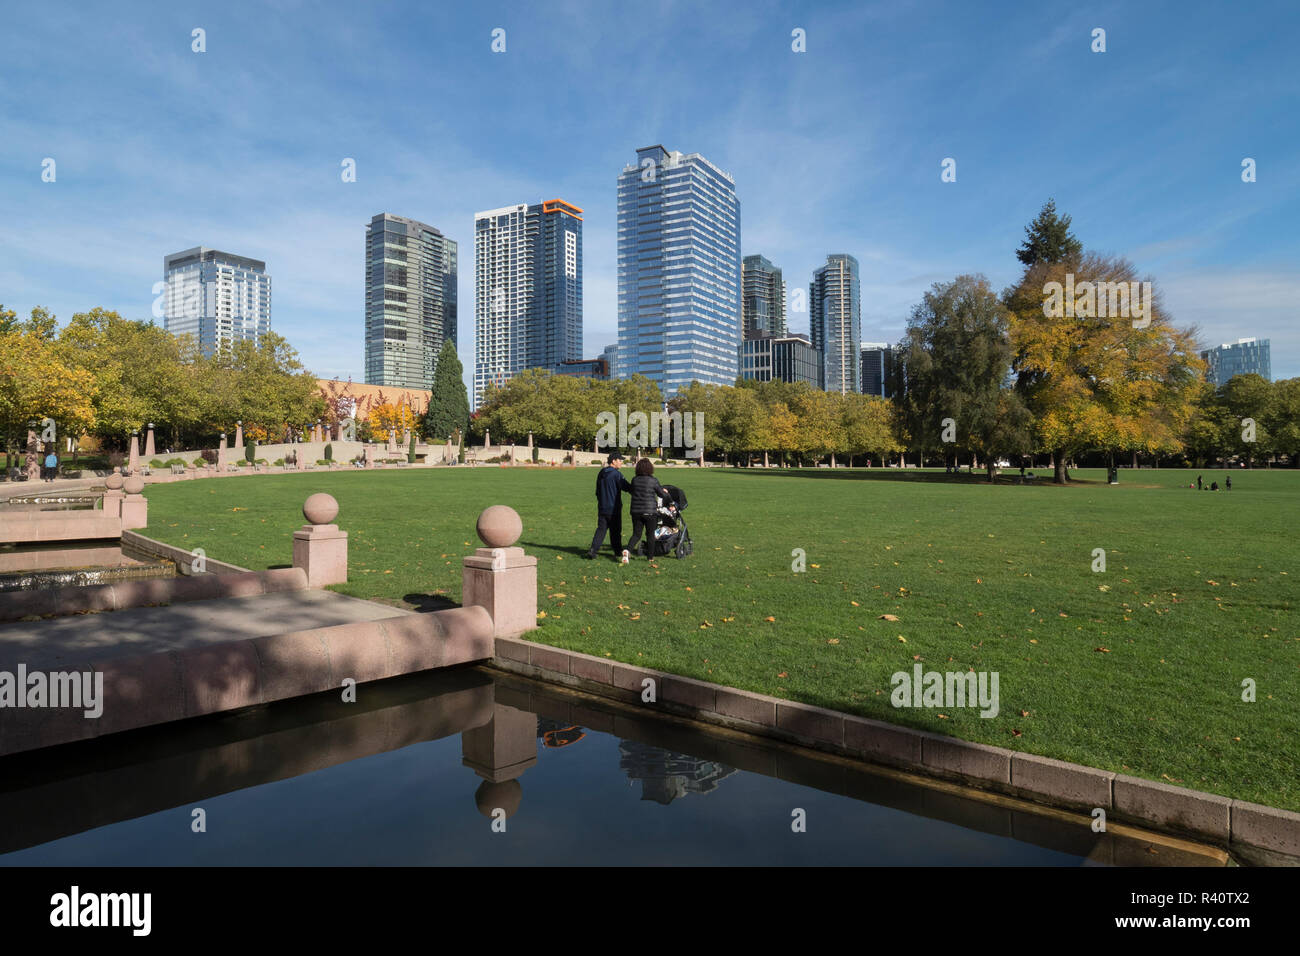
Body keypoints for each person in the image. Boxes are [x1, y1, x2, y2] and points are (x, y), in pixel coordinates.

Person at [587, 452, 632, 561]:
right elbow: (627, 487)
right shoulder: (617, 474)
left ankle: (593, 550)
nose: (622, 462)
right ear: (613, 461)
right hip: (614, 508)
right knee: (616, 531)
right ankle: (617, 551)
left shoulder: (602, 472)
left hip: (602, 506)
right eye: (620, 460)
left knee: (601, 529)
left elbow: (597, 491)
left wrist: (601, 501)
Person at [625, 458, 673, 560]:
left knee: (636, 534)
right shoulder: (653, 480)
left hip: (636, 512)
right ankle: (650, 557)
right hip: (650, 512)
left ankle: (627, 550)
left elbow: (632, 491)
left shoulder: (635, 480)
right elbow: (661, 494)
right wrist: (666, 492)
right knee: (650, 535)